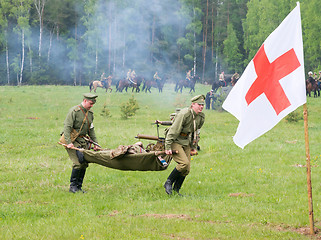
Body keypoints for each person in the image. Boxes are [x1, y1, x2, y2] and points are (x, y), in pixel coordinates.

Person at [163, 95, 205, 195]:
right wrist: (168, 146)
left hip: (186, 141)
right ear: (193, 105)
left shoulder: (201, 117)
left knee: (186, 169)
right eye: (199, 104)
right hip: (175, 140)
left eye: (202, 105)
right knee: (184, 164)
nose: (201, 107)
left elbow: (196, 132)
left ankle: (176, 190)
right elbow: (173, 130)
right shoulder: (184, 114)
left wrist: (193, 147)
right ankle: (168, 182)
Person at [62, 93, 99, 193]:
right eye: (90, 103)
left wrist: (96, 144)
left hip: (83, 141)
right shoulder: (74, 111)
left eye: (93, 104)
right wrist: (69, 143)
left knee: (84, 163)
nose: (91, 106)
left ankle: (79, 187)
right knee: (78, 163)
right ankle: (72, 187)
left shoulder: (90, 114)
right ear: (85, 100)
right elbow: (67, 127)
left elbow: (91, 130)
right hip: (72, 140)